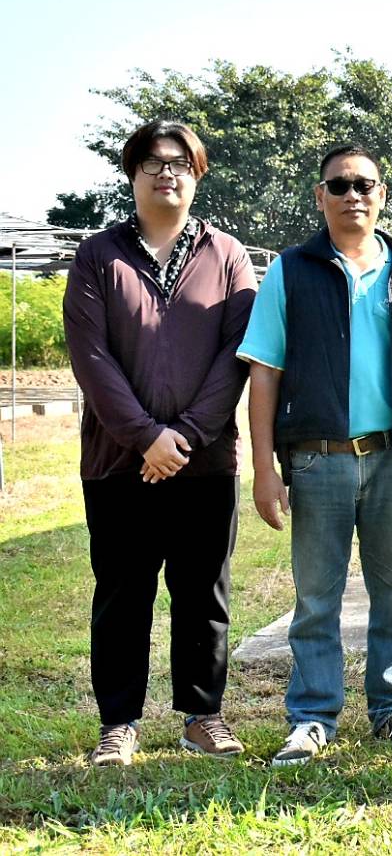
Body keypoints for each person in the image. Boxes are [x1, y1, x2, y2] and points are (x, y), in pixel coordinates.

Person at [238, 144, 392, 766]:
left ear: (382, 194)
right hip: (315, 460)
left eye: (365, 184)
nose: (353, 195)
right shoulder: (291, 271)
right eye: (340, 185)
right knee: (317, 597)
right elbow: (265, 372)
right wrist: (263, 469)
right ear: (320, 197)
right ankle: (311, 716)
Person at [63, 120, 257, 767]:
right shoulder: (98, 255)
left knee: (204, 593)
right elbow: (91, 358)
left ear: (197, 174)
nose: (166, 171)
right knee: (122, 593)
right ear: (132, 174)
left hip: (205, 463)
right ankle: (118, 723)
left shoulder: (227, 255)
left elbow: (237, 355)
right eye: (152, 161)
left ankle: (203, 715)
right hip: (119, 462)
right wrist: (147, 437)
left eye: (179, 161)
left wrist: (187, 435)